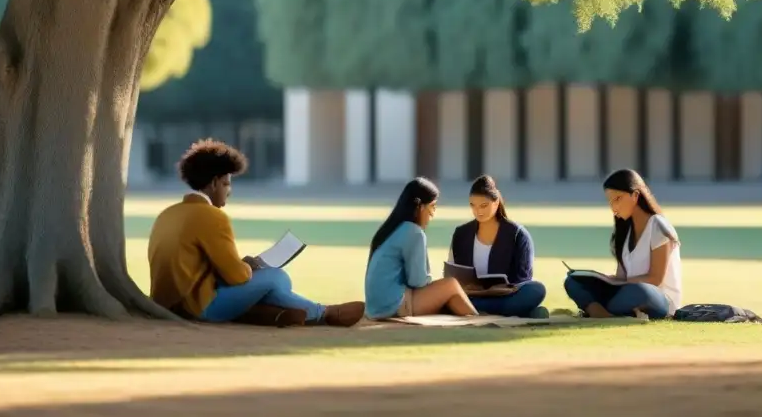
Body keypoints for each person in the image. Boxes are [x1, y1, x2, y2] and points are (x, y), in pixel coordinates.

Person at [148, 139, 364, 328]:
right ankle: (322, 313)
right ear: (214, 183)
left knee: (267, 281)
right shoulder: (212, 217)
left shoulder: (168, 214)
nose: (228, 191)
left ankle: (273, 315)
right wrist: (248, 267)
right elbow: (237, 276)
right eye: (226, 184)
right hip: (199, 307)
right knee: (276, 277)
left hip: (169, 305)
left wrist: (241, 265)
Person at [563, 169, 682, 320]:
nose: (614, 208)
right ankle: (605, 312)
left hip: (658, 298)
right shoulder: (625, 232)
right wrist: (603, 279)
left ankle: (600, 308)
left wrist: (617, 283)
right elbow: (621, 277)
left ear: (635, 195)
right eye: (610, 202)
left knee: (639, 291)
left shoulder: (658, 226)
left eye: (618, 199)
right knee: (573, 282)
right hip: (627, 291)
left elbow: (655, 278)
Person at [364, 177, 478, 320]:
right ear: (420, 206)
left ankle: (474, 318)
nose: (433, 213)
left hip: (376, 307)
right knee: (451, 285)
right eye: (433, 206)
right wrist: (431, 280)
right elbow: (417, 281)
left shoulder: (391, 229)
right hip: (393, 305)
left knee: (448, 292)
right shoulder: (414, 232)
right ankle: (477, 319)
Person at [448, 175, 547, 318]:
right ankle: (521, 312)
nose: (478, 211)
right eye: (473, 205)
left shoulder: (518, 234)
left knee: (536, 290)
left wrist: (502, 289)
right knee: (445, 293)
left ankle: (479, 309)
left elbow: (524, 279)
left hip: (505, 296)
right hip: (471, 296)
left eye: (484, 205)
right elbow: (452, 274)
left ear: (495, 203)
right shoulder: (461, 234)